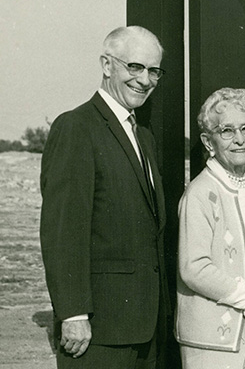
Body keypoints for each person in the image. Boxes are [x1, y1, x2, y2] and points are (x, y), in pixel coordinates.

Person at [40, 26, 170, 368]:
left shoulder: (143, 136)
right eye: (135, 67)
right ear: (107, 65)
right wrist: (73, 313)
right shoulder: (76, 127)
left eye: (154, 71)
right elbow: (63, 229)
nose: (145, 80)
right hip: (98, 330)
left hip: (144, 328)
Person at [176, 87, 245, 368]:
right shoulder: (201, 192)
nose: (239, 139)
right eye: (227, 131)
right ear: (208, 141)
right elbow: (194, 267)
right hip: (217, 341)